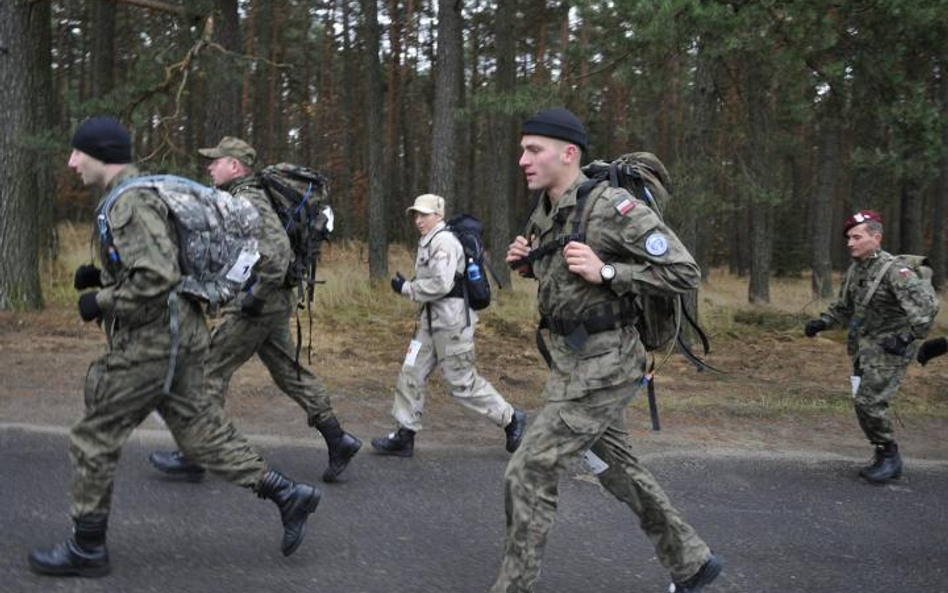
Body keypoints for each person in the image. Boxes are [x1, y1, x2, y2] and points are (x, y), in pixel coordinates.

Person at [29, 117, 321, 578]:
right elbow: (159, 262)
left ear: (100, 153)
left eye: (77, 153)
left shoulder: (128, 202)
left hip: (153, 339)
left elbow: (158, 276)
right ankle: (287, 494)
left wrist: (100, 300)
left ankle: (87, 548)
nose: (71, 162)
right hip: (181, 329)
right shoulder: (140, 192)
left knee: (93, 436)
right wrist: (103, 276)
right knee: (199, 432)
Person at [492, 107, 722, 593]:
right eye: (522, 150)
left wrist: (611, 272)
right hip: (570, 359)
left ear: (568, 153)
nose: (523, 160)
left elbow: (685, 272)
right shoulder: (550, 210)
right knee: (618, 468)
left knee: (529, 470)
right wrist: (531, 265)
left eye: (534, 150)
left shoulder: (612, 206)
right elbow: (568, 269)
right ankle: (692, 563)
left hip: (607, 362)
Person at [149, 137, 361, 483]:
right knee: (288, 371)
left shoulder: (247, 200)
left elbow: (276, 255)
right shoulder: (241, 198)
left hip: (258, 305)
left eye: (216, 161)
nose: (209, 166)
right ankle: (338, 438)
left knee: (207, 368)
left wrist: (254, 298)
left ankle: (195, 454)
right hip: (271, 303)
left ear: (235, 165)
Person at [370, 193, 527, 457]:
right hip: (429, 323)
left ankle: (511, 419)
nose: (418, 220)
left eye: (424, 214)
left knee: (462, 382)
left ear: (438, 215)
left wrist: (407, 288)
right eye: (416, 215)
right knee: (411, 372)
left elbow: (442, 284)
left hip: (451, 324)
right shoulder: (429, 241)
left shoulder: (443, 242)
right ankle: (404, 434)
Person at [804, 209, 938, 483]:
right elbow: (845, 307)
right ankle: (882, 451)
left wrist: (905, 338)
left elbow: (927, 308)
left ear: (875, 237)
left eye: (857, 237)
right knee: (862, 400)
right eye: (849, 238)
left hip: (890, 349)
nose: (850, 243)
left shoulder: (895, 271)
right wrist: (823, 322)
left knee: (870, 401)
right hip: (864, 349)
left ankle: (890, 456)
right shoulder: (858, 269)